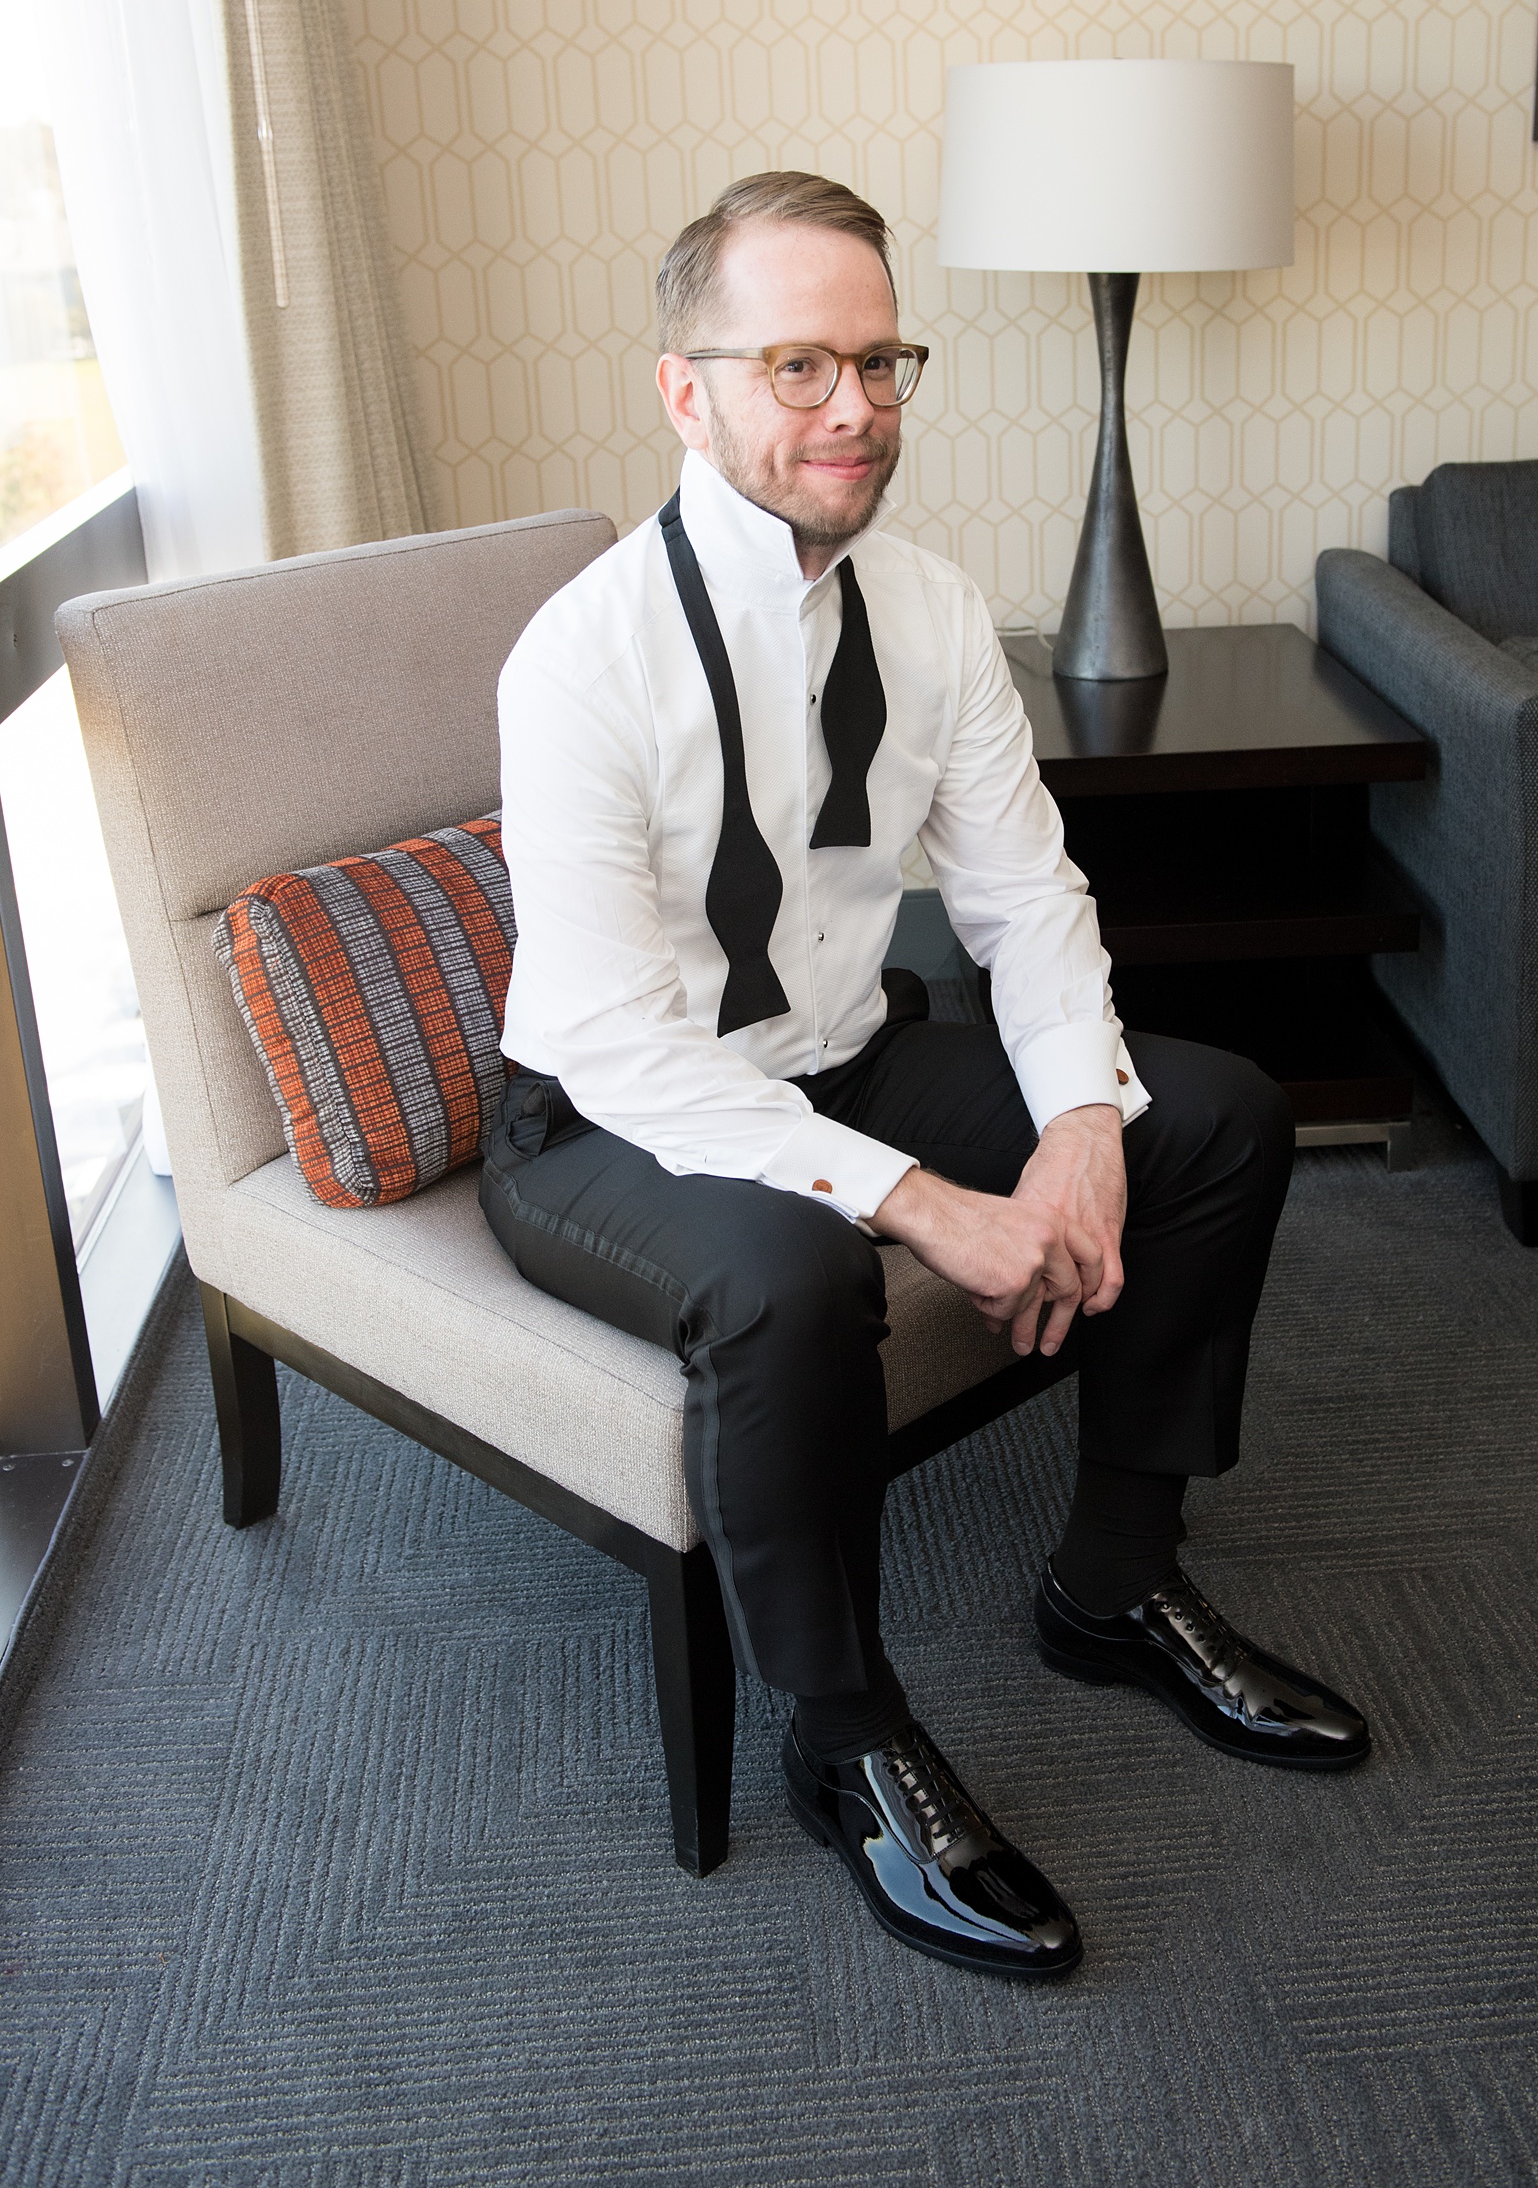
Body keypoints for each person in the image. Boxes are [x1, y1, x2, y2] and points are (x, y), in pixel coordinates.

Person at [483, 170, 1369, 1983]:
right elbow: (614, 1038)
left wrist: (1080, 1129)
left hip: (844, 1054)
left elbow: (1026, 894)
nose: (854, 409)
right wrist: (919, 1202)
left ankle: (1116, 1580)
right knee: (794, 1267)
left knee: (1211, 1116)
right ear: (687, 389)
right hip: (605, 1118)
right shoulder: (582, 657)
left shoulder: (936, 610)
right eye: (797, 362)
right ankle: (843, 1732)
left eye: (882, 362)